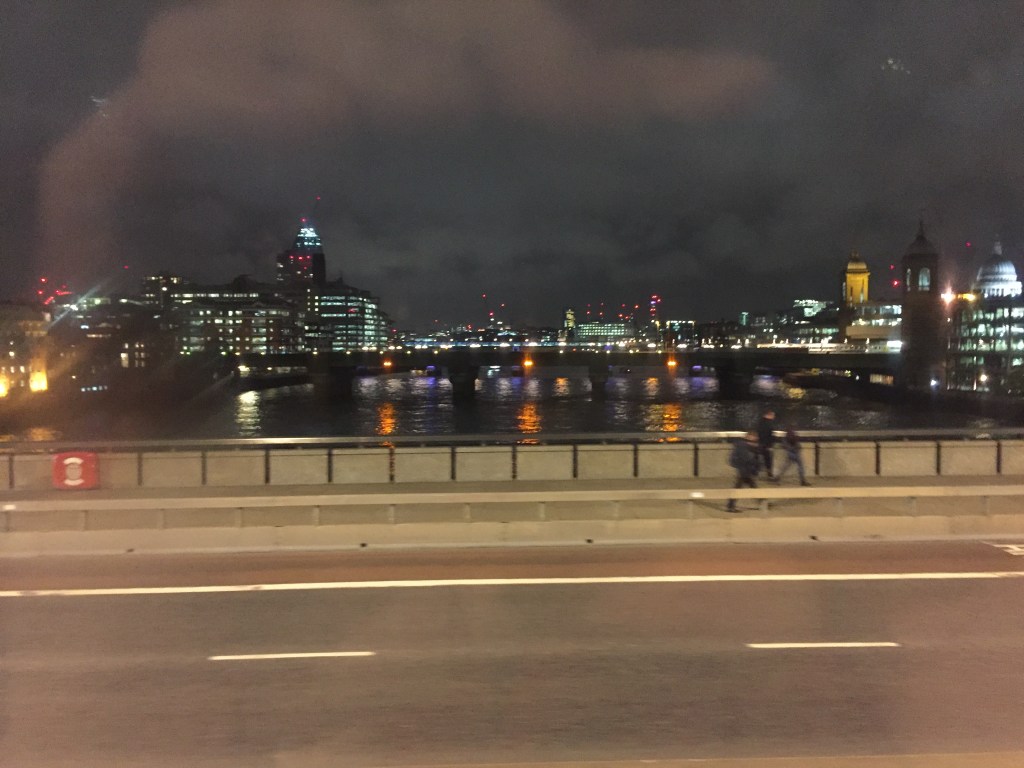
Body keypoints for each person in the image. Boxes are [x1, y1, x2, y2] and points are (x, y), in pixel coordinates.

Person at [726, 432, 760, 513]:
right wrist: (756, 463)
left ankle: (762, 501)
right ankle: (730, 506)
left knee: (751, 485)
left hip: (745, 469)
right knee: (739, 487)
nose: (756, 439)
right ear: (749, 437)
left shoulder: (746, 445)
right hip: (743, 469)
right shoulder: (742, 446)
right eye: (754, 437)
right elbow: (746, 458)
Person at [755, 409, 777, 479]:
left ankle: (755, 472)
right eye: (773, 415)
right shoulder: (769, 423)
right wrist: (770, 445)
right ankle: (769, 474)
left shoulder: (760, 422)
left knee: (758, 458)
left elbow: (758, 433)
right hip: (767, 445)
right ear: (769, 415)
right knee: (768, 460)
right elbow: (770, 435)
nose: (774, 417)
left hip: (760, 443)